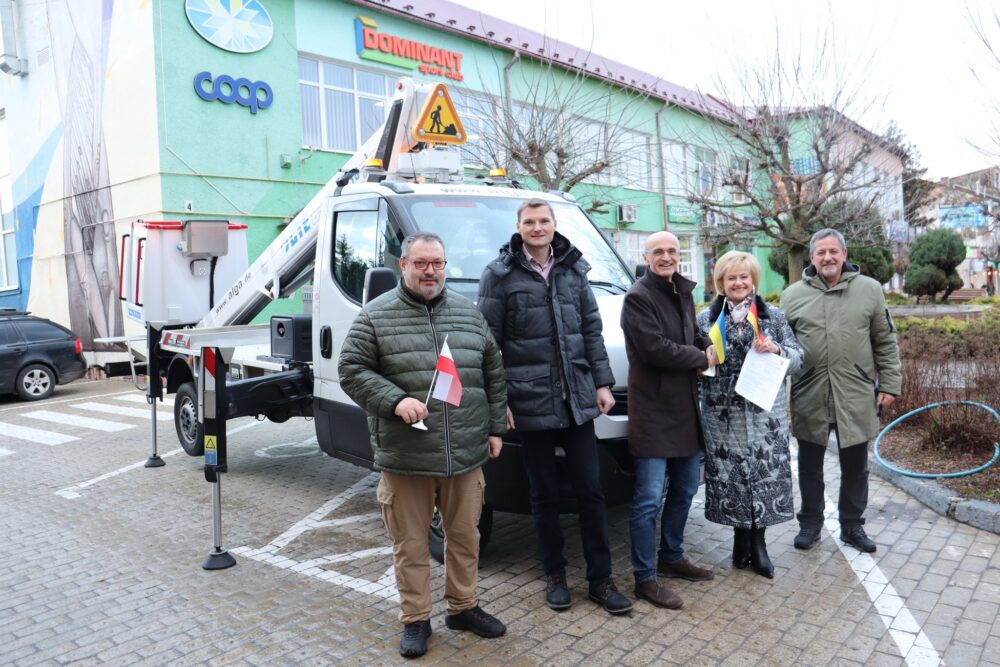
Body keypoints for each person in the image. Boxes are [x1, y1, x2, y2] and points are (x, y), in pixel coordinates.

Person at [338, 232, 507, 659]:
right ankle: (416, 619)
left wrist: (493, 429)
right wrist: (395, 400)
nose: (430, 271)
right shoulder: (375, 316)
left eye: (437, 263)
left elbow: (492, 372)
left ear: (445, 266)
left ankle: (463, 608)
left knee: (465, 537)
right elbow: (351, 371)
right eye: (421, 263)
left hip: (465, 453)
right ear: (404, 266)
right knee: (411, 545)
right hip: (407, 455)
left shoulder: (469, 315)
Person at [478, 198, 633, 615]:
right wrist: (500, 401)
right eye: (530, 221)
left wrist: (602, 382)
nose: (537, 227)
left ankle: (601, 579)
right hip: (528, 401)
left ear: (553, 224)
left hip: (577, 398)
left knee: (591, 490)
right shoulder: (499, 275)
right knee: (543, 494)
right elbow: (488, 345)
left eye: (544, 220)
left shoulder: (574, 268)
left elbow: (590, 329)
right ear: (519, 226)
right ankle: (555, 574)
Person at [781, 228, 901, 554]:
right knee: (809, 466)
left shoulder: (870, 290)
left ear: (844, 254)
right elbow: (781, 347)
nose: (828, 258)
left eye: (834, 251)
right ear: (812, 257)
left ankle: (852, 525)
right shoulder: (792, 295)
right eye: (821, 252)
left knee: (855, 467)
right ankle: (810, 523)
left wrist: (890, 383)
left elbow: (885, 340)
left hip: (856, 392)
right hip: (810, 393)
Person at [620, 231, 717, 610]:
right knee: (647, 501)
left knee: (685, 490)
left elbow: (691, 331)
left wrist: (706, 343)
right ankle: (645, 578)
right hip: (653, 411)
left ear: (680, 255)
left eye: (672, 251)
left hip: (684, 410)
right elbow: (654, 349)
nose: (665, 257)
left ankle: (672, 557)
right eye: (658, 251)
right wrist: (700, 359)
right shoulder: (637, 297)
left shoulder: (682, 290)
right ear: (646, 256)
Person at [696, 251, 803, 579]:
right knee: (733, 479)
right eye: (731, 278)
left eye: (744, 277)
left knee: (761, 476)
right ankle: (738, 541)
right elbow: (692, 364)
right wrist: (703, 361)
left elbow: (800, 358)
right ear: (721, 283)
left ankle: (759, 546)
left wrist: (777, 350)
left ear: (753, 280)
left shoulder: (773, 317)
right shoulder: (705, 320)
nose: (739, 283)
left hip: (763, 417)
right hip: (722, 415)